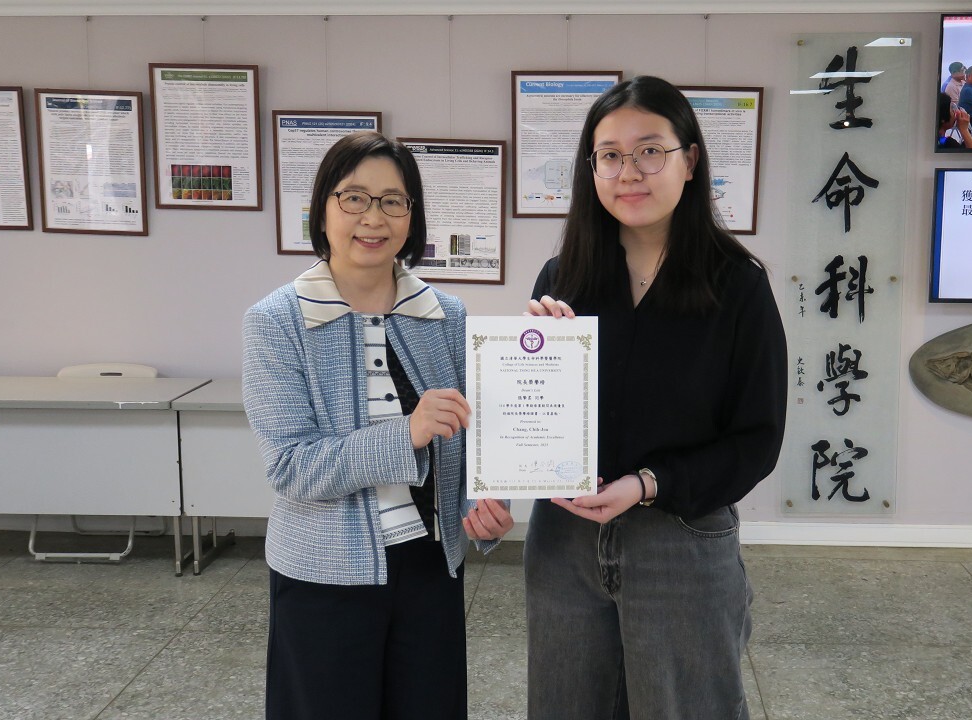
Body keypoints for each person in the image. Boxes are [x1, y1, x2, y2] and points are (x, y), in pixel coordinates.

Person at [522, 75, 787, 720]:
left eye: (649, 151)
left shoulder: (737, 285)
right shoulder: (563, 279)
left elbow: (757, 440)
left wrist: (646, 484)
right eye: (610, 155)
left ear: (689, 160)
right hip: (564, 543)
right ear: (591, 169)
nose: (628, 172)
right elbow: (534, 419)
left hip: (681, 540)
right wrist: (532, 363)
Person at [241, 130, 513, 720]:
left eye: (393, 201)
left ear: (412, 217)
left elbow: (474, 436)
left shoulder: (445, 315)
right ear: (322, 209)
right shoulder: (277, 322)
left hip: (431, 570)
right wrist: (406, 434)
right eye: (354, 197)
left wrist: (485, 503)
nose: (374, 217)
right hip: (324, 576)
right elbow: (290, 467)